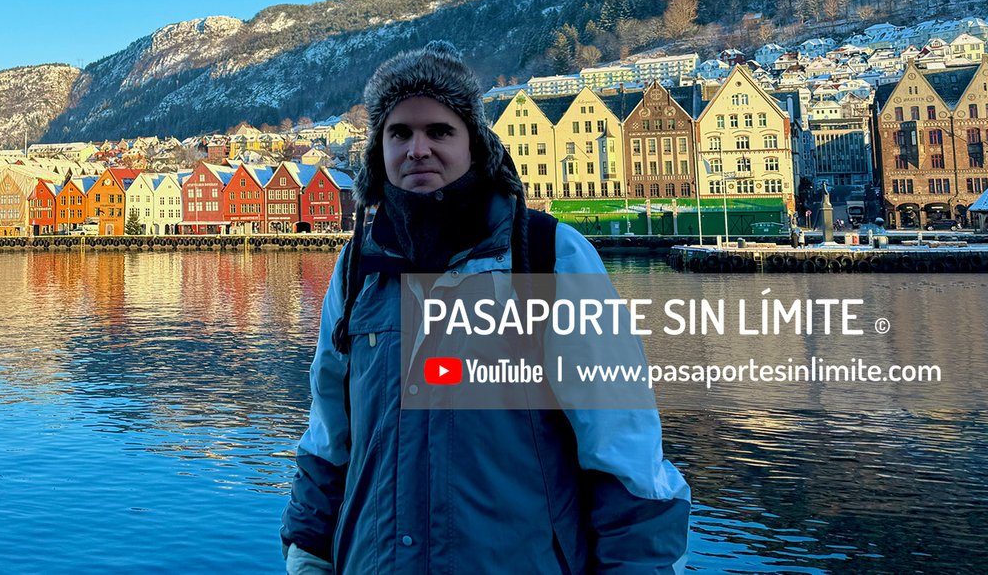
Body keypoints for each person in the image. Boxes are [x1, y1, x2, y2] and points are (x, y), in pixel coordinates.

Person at [281, 41, 690, 574]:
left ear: (474, 143)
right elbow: (329, 434)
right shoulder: (358, 268)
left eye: (440, 131)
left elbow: (624, 452)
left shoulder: (548, 258)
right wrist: (307, 553)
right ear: (378, 150)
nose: (417, 148)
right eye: (399, 132)